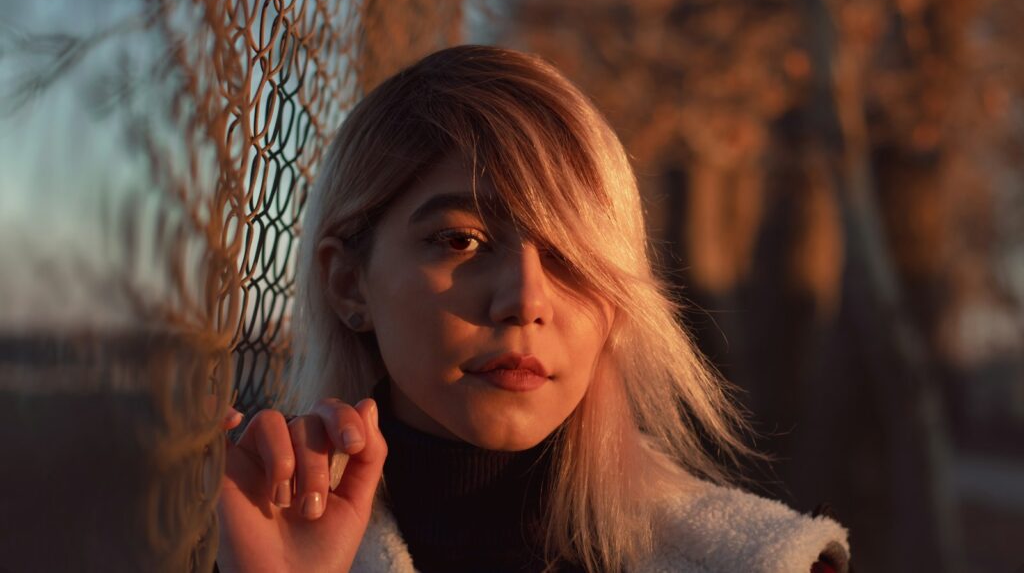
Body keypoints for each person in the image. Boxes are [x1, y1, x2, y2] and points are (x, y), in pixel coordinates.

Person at [215, 45, 851, 572]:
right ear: (350, 283)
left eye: (572, 254)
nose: (525, 300)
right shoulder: (262, 545)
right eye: (461, 240)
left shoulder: (763, 565)